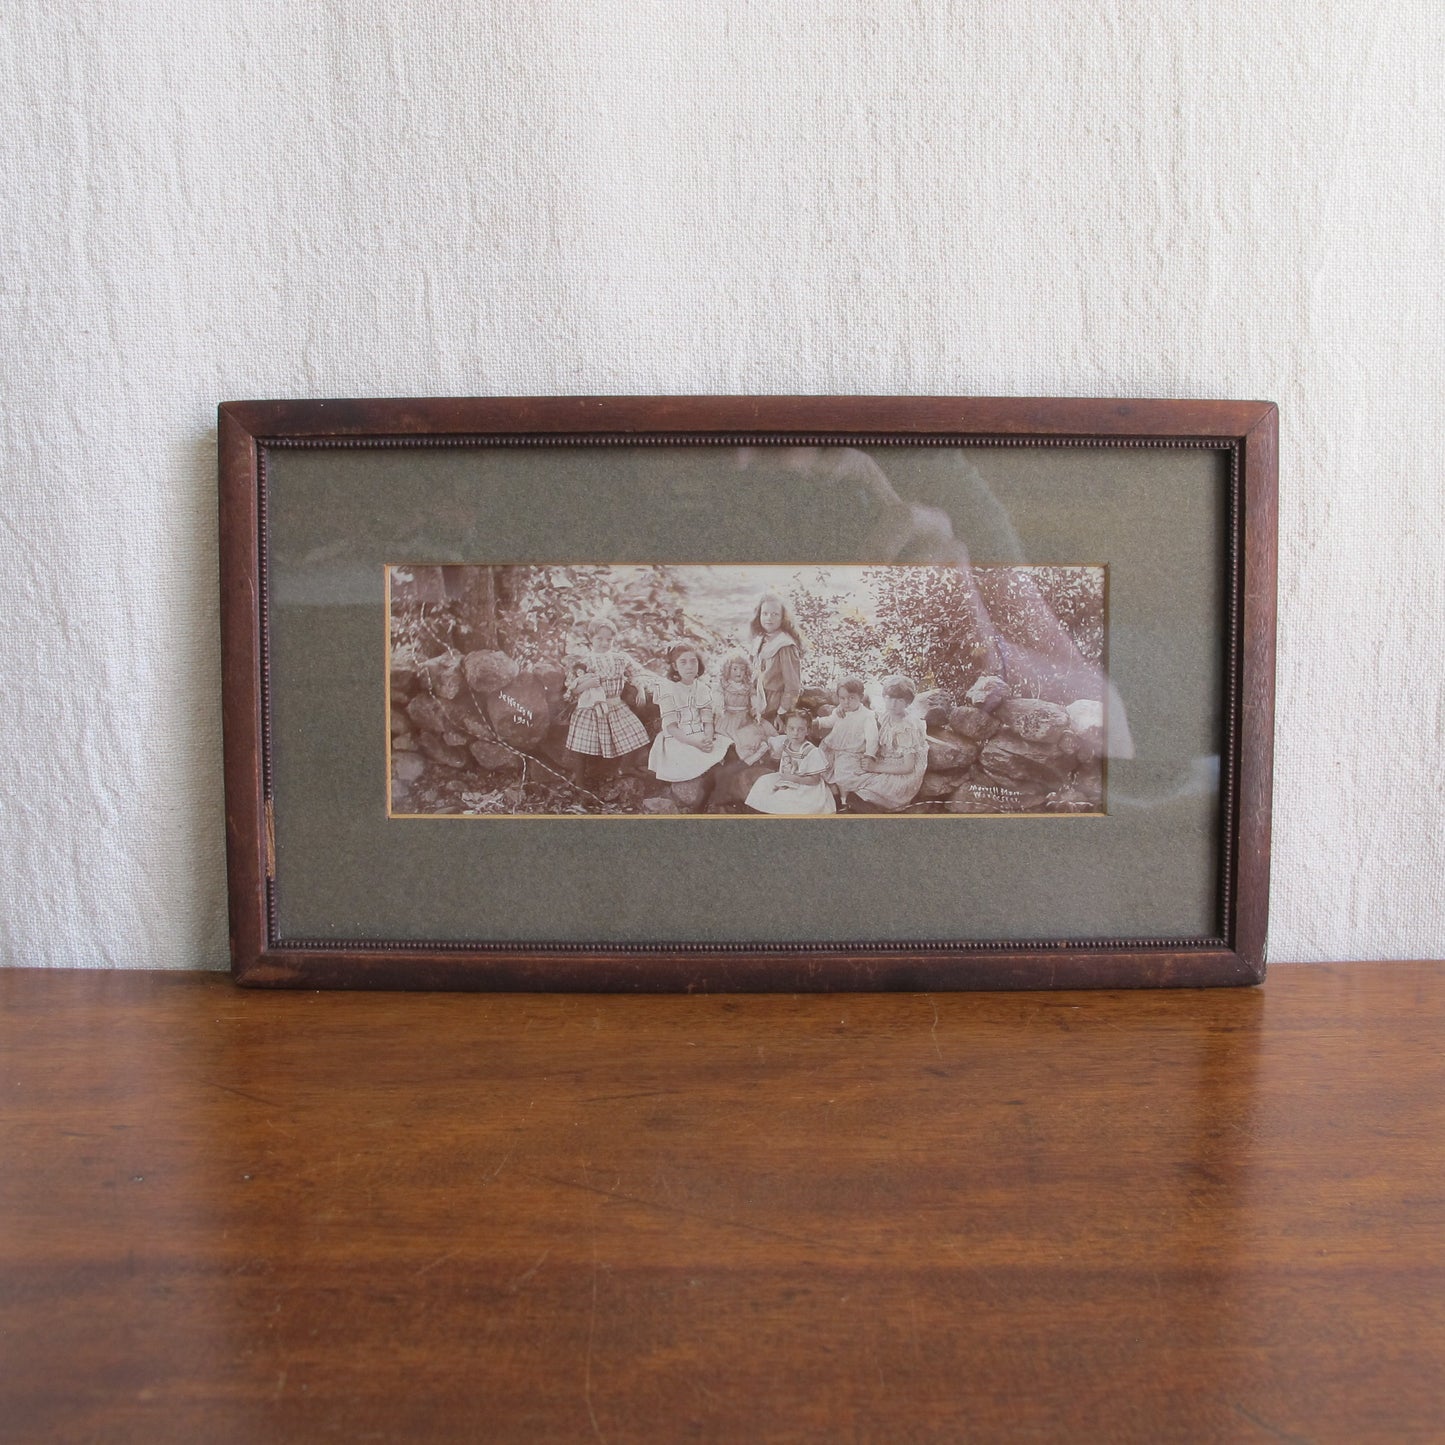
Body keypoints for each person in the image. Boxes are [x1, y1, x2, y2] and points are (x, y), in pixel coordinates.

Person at [563, 618, 652, 783]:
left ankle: (625, 767)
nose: (605, 643)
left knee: (636, 732)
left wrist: (640, 689)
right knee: (582, 745)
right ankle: (580, 782)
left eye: (609, 639)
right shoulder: (583, 662)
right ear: (591, 639)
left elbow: (636, 673)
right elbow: (571, 690)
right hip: (591, 708)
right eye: (600, 639)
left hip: (616, 704)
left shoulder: (620, 658)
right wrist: (586, 684)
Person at [647, 643, 732, 783]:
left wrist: (708, 738)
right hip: (679, 739)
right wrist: (696, 743)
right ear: (675, 666)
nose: (689, 666)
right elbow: (672, 728)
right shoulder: (667, 689)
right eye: (683, 662)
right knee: (701, 764)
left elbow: (707, 721)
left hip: (701, 734)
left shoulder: (702, 688)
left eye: (693, 661)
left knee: (728, 749)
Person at [849, 675, 928, 812]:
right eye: (889, 698)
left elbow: (908, 767)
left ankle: (877, 815)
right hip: (887, 761)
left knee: (858, 795)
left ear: (908, 702)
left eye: (899, 700)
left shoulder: (906, 728)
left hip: (902, 774)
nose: (892, 704)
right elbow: (868, 702)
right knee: (849, 774)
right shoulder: (886, 714)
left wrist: (875, 767)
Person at [745, 710, 835, 815]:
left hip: (806, 785)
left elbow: (815, 780)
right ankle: (759, 810)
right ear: (785, 729)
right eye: (791, 728)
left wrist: (794, 779)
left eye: (800, 729)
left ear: (807, 731)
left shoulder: (811, 751)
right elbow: (770, 741)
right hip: (786, 778)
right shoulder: (785, 742)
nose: (795, 733)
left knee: (786, 798)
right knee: (763, 782)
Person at [818, 677, 879, 808]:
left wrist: (869, 754)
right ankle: (833, 793)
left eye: (851, 698)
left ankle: (844, 801)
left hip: (850, 752)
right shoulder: (840, 710)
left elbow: (872, 738)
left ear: (860, 697)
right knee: (820, 765)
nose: (846, 702)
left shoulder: (867, 716)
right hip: (832, 747)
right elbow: (830, 721)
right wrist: (817, 722)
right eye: (842, 698)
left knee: (842, 772)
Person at [747, 591, 803, 726]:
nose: (769, 618)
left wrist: (782, 713)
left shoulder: (785, 645)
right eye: (765, 613)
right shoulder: (760, 640)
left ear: (783, 617)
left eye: (775, 614)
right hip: (757, 703)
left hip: (774, 708)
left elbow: (793, 686)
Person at [715, 649, 774, 745]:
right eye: (735, 669)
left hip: (744, 717)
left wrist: (755, 710)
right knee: (727, 737)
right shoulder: (725, 685)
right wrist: (719, 706)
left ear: (746, 671)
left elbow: (754, 700)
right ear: (728, 669)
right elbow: (719, 697)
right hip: (728, 717)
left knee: (748, 735)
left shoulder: (747, 687)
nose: (739, 672)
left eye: (742, 669)